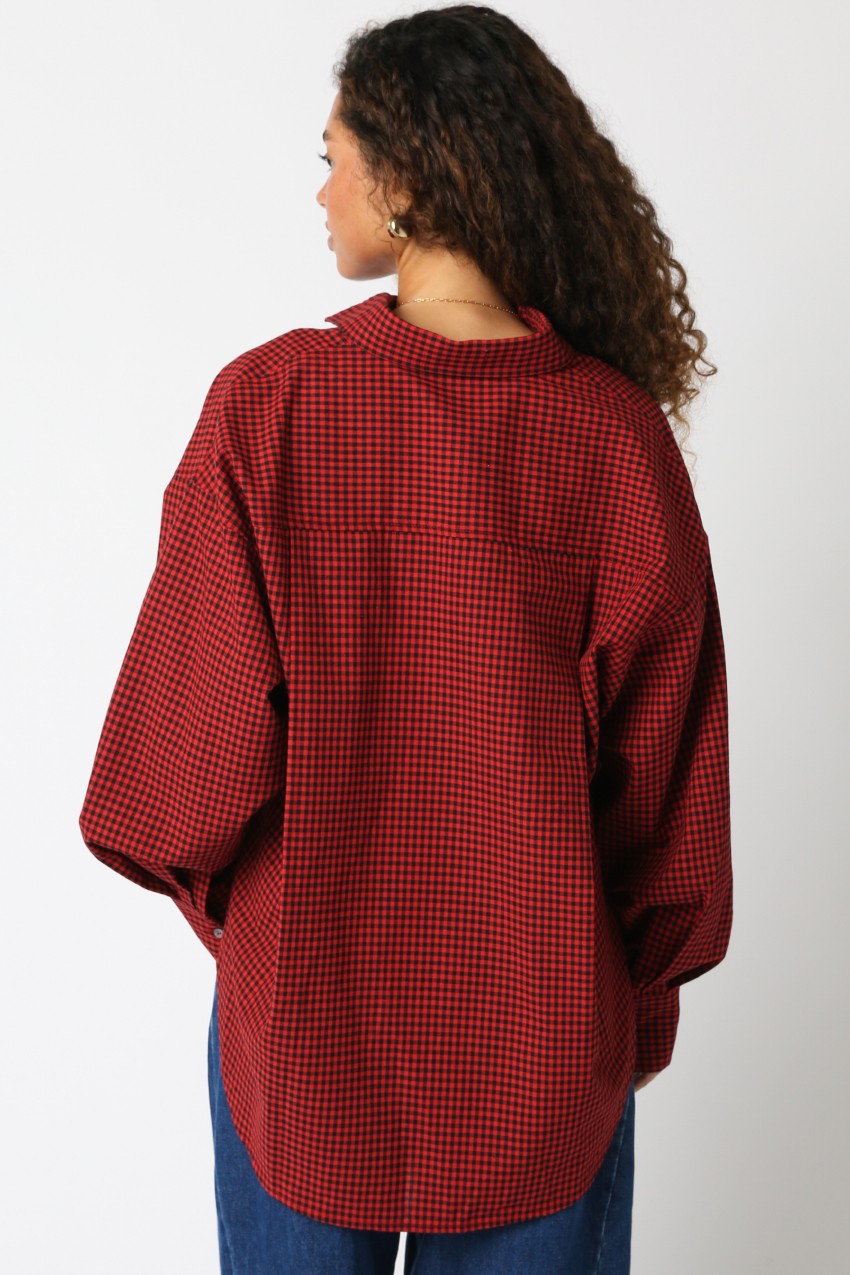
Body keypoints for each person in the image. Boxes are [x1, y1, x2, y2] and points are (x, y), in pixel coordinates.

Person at [78, 5, 733, 1273]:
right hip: (544, 1039)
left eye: (332, 158)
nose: (320, 190)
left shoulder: (271, 406)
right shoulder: (615, 440)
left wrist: (260, 932)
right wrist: (634, 1006)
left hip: (305, 1027)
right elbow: (667, 803)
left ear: (412, 175)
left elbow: (176, 785)